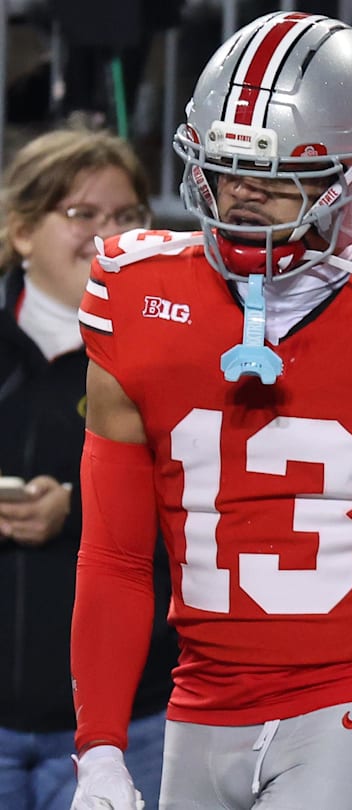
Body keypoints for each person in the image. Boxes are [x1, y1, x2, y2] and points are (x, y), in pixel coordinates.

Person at [69, 12, 352, 810]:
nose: (241, 195)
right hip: (197, 705)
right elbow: (112, 556)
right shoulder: (135, 295)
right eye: (224, 166)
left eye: (277, 175)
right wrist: (100, 746)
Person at [0, 127, 176, 810]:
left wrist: (82, 507)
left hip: (135, 726)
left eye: (127, 216)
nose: (108, 235)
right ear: (21, 232)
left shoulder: (168, 355)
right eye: (82, 214)